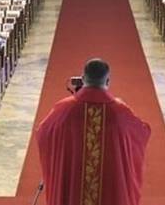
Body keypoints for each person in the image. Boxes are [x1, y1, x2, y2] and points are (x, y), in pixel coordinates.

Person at [36, 58, 151, 205]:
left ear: (83, 79)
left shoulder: (63, 109)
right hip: (110, 187)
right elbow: (142, 132)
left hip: (73, 182)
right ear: (108, 81)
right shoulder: (120, 112)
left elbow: (43, 134)